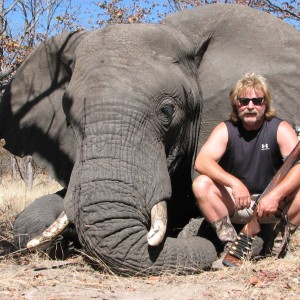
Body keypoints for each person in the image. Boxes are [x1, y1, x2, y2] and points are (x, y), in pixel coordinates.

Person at [192, 73, 300, 269]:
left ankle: (278, 245)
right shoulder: (226, 129)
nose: (251, 106)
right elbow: (201, 162)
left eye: (257, 101)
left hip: (274, 204)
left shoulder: (280, 128)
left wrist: (276, 195)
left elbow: (299, 167)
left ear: (265, 104)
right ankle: (232, 244)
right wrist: (234, 183)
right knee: (201, 184)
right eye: (244, 101)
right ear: (236, 105)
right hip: (237, 202)